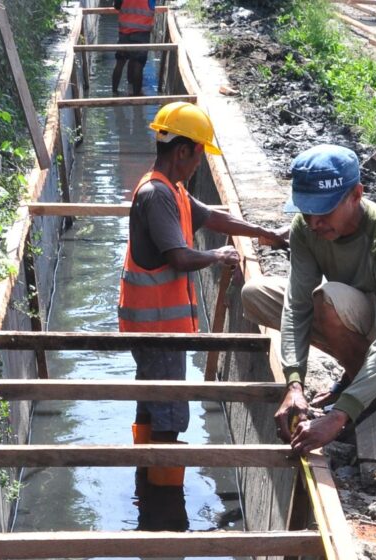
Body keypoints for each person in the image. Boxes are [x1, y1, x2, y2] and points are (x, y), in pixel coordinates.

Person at [118, 102, 286, 486]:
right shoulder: (157, 195)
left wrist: (263, 233)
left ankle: (145, 483)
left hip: (156, 331)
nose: (199, 165)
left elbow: (210, 215)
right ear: (183, 151)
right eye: (199, 155)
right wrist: (217, 254)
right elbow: (178, 257)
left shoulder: (169, 188)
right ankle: (163, 508)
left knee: (153, 407)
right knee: (170, 419)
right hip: (158, 333)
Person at [240, 144, 376, 455]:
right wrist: (294, 384)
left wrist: (339, 415)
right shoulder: (307, 229)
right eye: (306, 212)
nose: (313, 223)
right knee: (256, 294)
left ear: (356, 195)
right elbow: (296, 307)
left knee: (328, 298)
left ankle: (367, 397)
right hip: (362, 317)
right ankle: (358, 378)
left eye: (323, 212)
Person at [112, 0, 155, 95]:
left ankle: (114, 92)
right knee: (138, 64)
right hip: (142, 32)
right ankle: (136, 95)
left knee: (120, 62)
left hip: (124, 31)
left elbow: (117, 6)